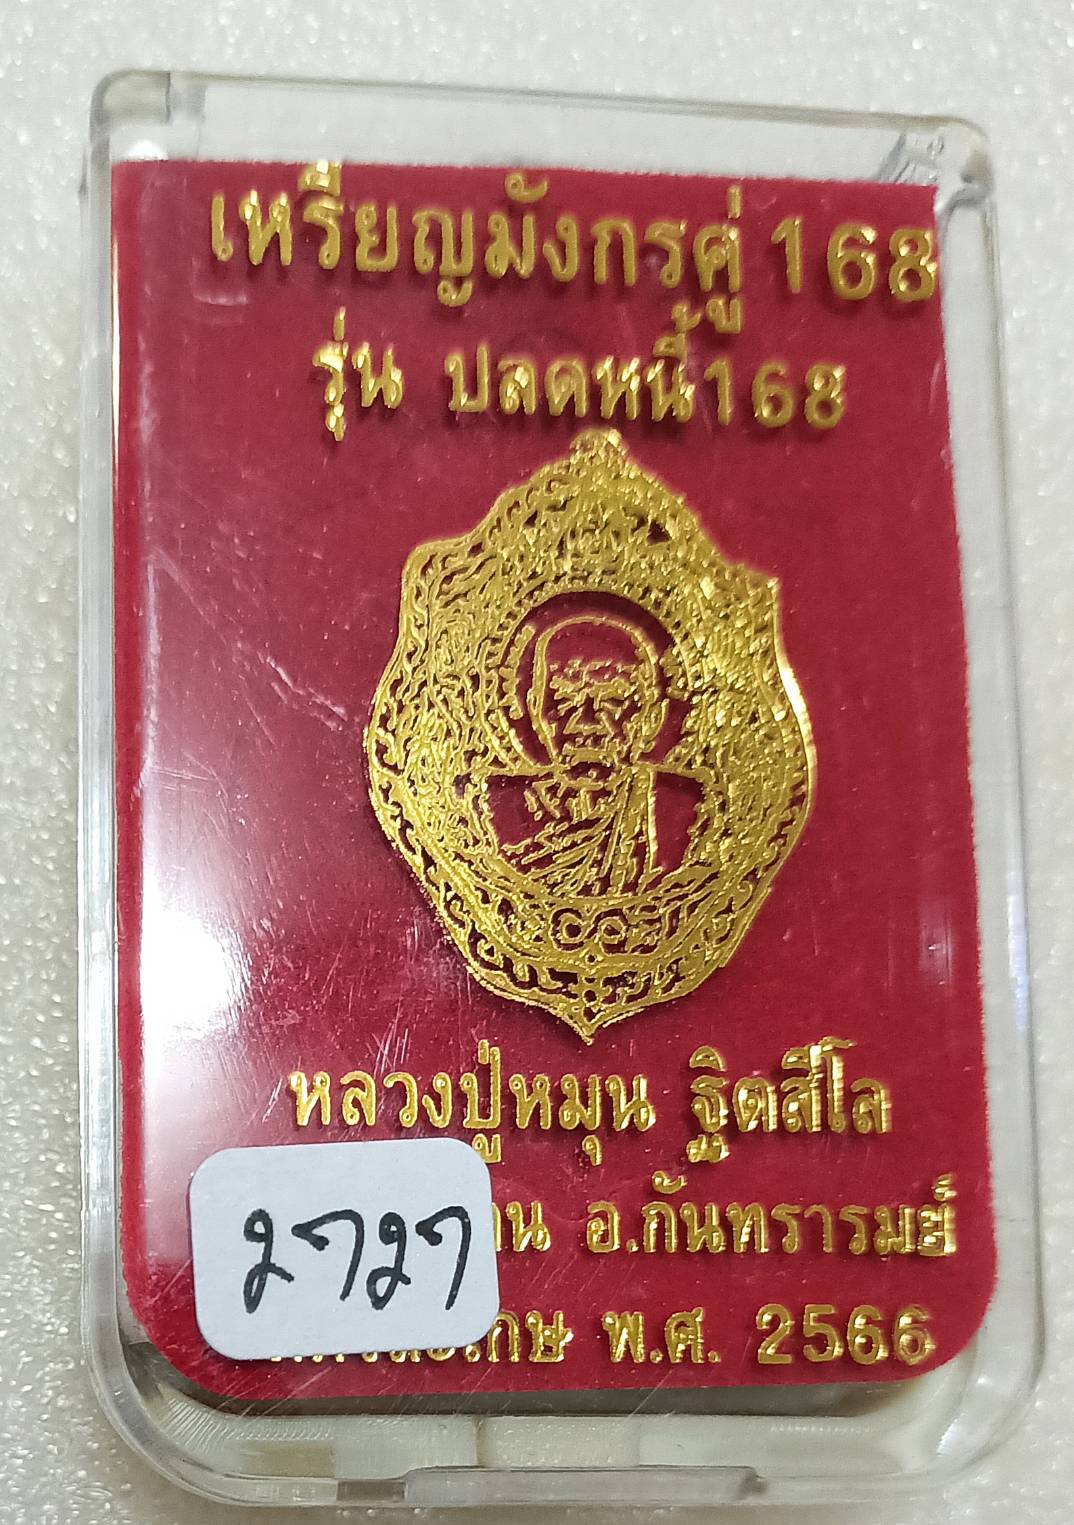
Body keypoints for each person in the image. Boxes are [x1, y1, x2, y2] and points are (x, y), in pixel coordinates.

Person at [486, 612, 699, 898]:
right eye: (565, 702)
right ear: (533, 707)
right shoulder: (492, 808)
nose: (586, 724)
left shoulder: (688, 809)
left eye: (613, 701)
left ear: (651, 716)